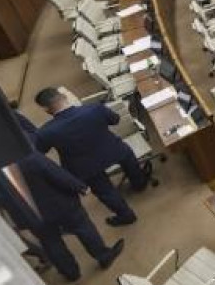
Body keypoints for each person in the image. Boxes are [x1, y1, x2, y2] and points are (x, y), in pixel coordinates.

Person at [0, 134, 124, 282]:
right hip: (60, 204)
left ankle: (70, 273)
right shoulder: (28, 156)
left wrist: (17, 217)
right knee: (83, 227)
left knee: (51, 243)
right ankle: (104, 256)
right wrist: (80, 187)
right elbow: (56, 174)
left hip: (29, 216)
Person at [33, 87, 147, 226]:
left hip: (85, 167)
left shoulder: (45, 132)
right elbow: (115, 120)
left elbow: (41, 150)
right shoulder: (94, 108)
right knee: (127, 154)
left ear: (46, 109)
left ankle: (126, 215)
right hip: (113, 150)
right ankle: (139, 183)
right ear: (64, 97)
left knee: (105, 191)